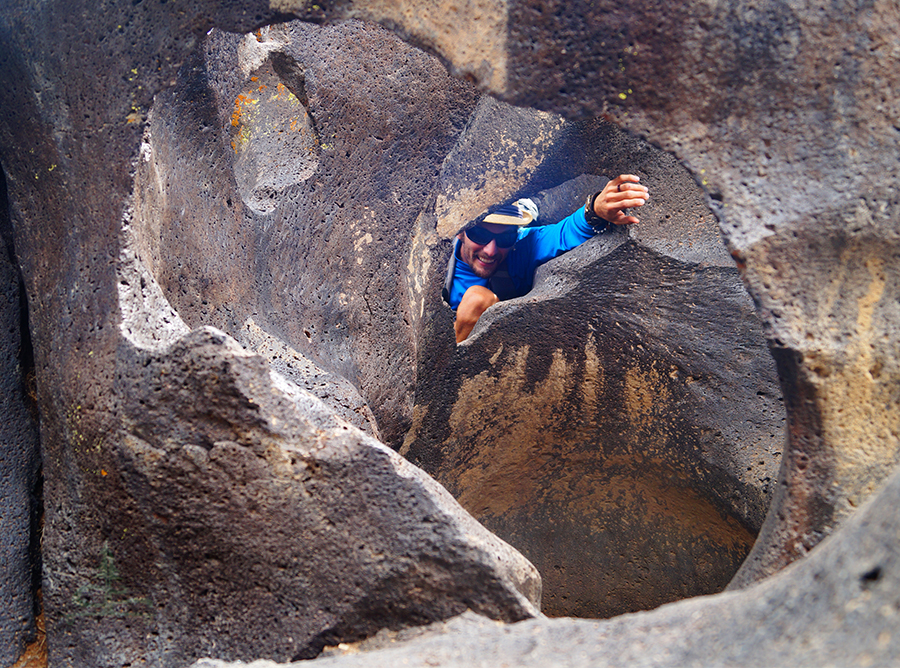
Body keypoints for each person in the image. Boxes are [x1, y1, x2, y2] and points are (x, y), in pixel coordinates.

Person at [443, 174, 649, 343]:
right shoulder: (438, 260)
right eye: (480, 235)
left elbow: (562, 234)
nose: (490, 250)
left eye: (505, 237)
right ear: (460, 232)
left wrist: (596, 209)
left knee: (478, 300)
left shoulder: (521, 247)